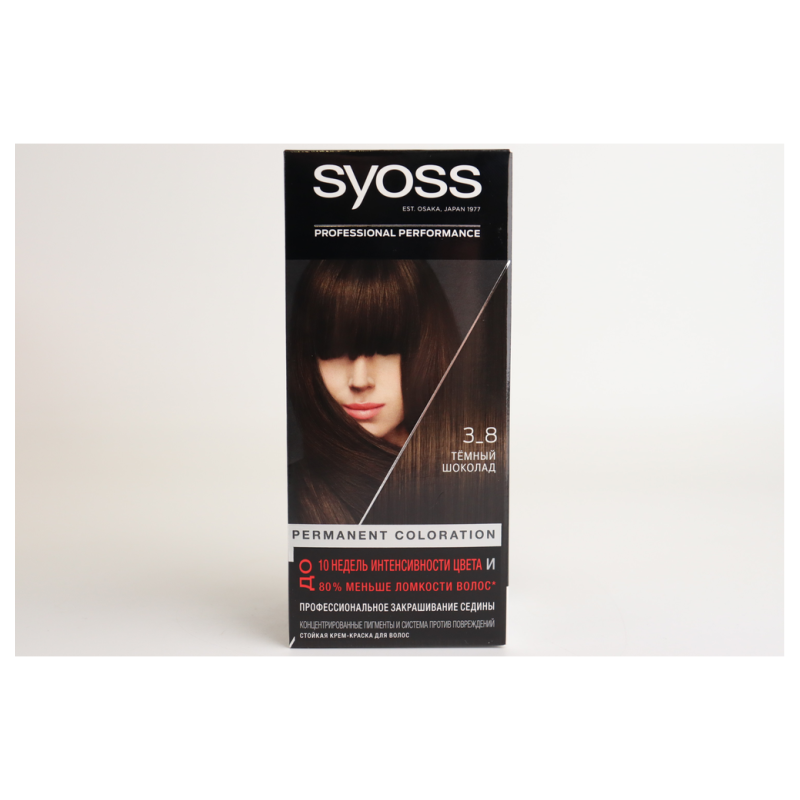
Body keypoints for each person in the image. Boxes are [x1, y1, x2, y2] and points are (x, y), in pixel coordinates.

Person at [287, 259, 460, 523]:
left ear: (429, 348)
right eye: (333, 351)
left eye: (386, 349)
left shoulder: (473, 483)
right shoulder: (286, 496)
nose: (359, 381)